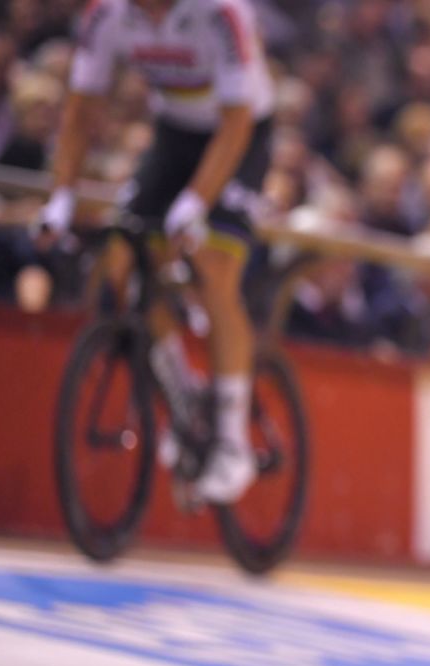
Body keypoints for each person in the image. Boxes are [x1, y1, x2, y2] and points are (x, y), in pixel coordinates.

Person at [34, 0, 275, 503]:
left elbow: (236, 123)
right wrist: (61, 197)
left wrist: (195, 202)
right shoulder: (106, 15)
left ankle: (232, 441)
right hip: (174, 135)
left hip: (242, 135)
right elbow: (80, 109)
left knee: (213, 269)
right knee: (123, 256)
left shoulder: (221, 12)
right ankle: (182, 395)